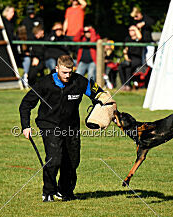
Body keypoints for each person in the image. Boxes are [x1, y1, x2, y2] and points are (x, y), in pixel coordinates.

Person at [19, 55, 104, 202]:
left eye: (70, 72)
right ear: (57, 68)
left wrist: (105, 107)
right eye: (64, 72)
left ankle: (65, 192)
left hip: (71, 127)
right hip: (49, 125)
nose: (67, 76)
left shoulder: (79, 81)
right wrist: (25, 126)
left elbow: (99, 94)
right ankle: (48, 192)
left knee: (72, 161)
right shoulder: (44, 83)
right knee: (54, 159)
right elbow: (26, 104)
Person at [118, 25, 143, 91]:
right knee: (120, 66)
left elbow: (139, 37)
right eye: (130, 30)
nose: (130, 32)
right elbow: (125, 50)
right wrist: (126, 58)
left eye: (133, 30)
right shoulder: (127, 39)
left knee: (128, 67)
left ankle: (128, 86)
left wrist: (136, 28)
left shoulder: (139, 39)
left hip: (137, 59)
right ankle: (123, 85)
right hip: (129, 58)